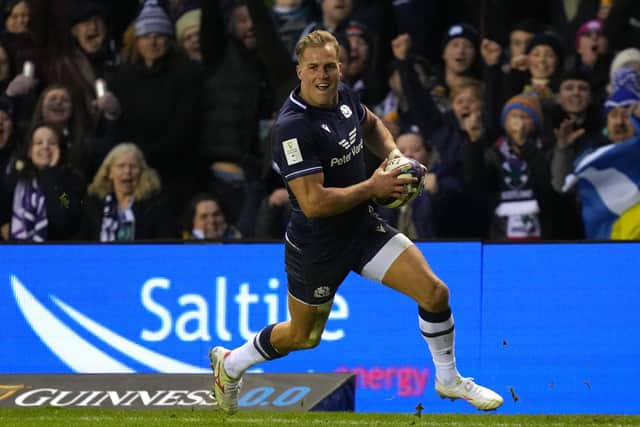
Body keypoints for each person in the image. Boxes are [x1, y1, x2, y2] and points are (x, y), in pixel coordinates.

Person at [208, 29, 503, 415]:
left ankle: (449, 379)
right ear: (300, 71)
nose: (323, 74)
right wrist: (374, 185)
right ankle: (230, 365)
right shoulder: (292, 127)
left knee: (434, 293)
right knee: (303, 336)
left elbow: (372, 124)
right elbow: (313, 203)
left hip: (362, 229)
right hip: (317, 245)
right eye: (313, 67)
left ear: (340, 68)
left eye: (330, 66)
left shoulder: (344, 96)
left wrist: (395, 156)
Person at [0, 123, 84, 241]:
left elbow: (65, 211)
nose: (45, 146)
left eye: (52, 143)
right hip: (14, 252)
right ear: (30, 151)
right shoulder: (16, 178)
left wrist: (50, 174)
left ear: (60, 149)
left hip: (54, 252)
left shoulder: (70, 181)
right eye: (39, 142)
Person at [77, 143, 175, 241]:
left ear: (141, 172)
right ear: (109, 172)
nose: (127, 171)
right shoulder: (92, 205)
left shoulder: (155, 207)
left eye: (133, 166)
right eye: (121, 166)